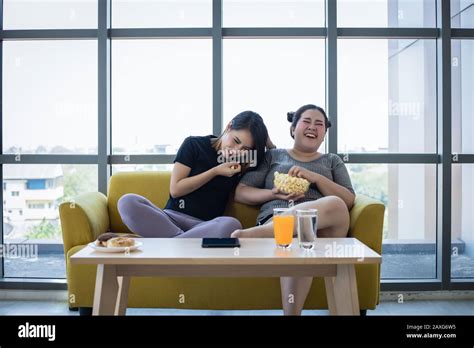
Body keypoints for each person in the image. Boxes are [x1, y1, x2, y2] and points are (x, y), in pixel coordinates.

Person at [231, 104, 355, 315]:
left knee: (335, 204)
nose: (313, 127)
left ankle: (257, 236)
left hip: (325, 229)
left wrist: (315, 178)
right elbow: (241, 192)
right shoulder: (273, 156)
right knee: (302, 237)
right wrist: (273, 194)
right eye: (306, 121)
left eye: (319, 124)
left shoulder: (332, 161)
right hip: (281, 223)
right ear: (293, 129)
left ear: (324, 134)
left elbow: (349, 200)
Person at [117, 111, 270, 238]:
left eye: (245, 149)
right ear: (229, 126)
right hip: (169, 219)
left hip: (204, 226)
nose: (236, 151)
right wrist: (215, 171)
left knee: (231, 225)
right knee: (127, 202)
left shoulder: (242, 164)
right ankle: (182, 242)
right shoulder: (194, 145)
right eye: (236, 141)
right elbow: (176, 190)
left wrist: (267, 142)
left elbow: (272, 157)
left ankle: (168, 244)